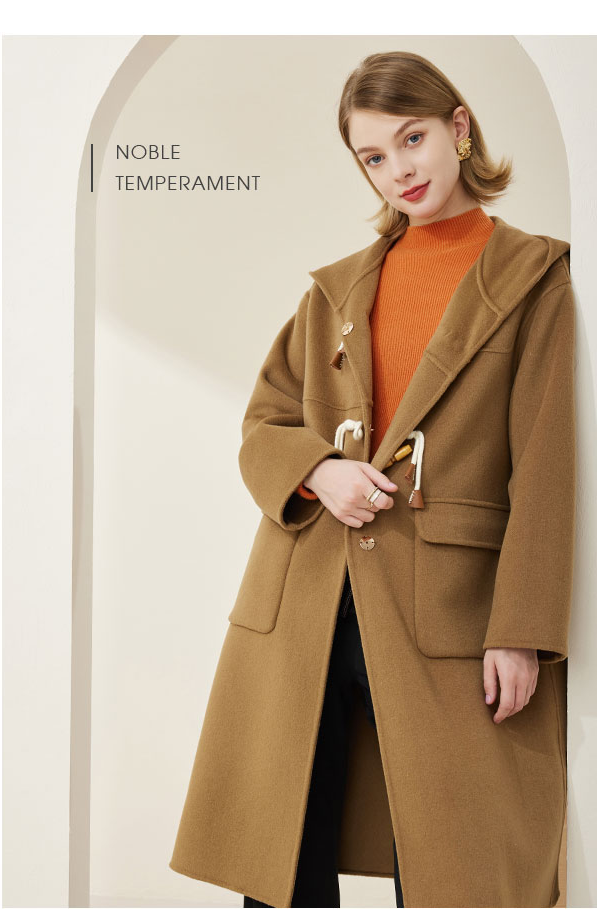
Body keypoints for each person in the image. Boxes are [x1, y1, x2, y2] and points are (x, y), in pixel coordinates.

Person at [170, 50, 575, 909]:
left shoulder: (534, 277)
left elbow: (545, 463)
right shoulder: (336, 291)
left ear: (459, 128)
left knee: (449, 861)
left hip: (449, 608)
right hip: (310, 595)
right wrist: (320, 471)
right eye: (374, 156)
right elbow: (265, 423)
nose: (400, 170)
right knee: (283, 856)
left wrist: (522, 629)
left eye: (412, 138)